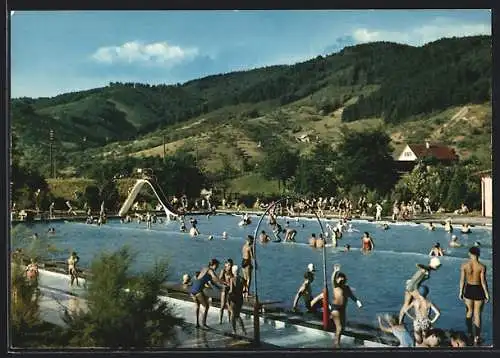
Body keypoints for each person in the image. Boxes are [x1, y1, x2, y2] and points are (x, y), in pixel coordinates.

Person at [459, 246, 489, 345]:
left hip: (468, 289)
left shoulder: (464, 265)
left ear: (469, 254)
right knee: (477, 314)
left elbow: (462, 280)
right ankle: (477, 337)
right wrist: (487, 294)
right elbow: (483, 282)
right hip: (478, 289)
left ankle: (470, 333)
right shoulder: (482, 266)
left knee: (469, 312)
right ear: (478, 254)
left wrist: (460, 292)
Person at [399, 257, 441, 324]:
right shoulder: (426, 269)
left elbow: (417, 277)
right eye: (437, 266)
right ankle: (425, 319)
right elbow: (421, 266)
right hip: (413, 288)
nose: (438, 268)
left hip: (410, 286)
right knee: (424, 302)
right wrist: (422, 266)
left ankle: (400, 322)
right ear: (434, 265)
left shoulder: (427, 269)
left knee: (406, 304)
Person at [330, 264, 363, 347]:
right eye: (339, 278)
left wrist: (357, 302)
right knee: (340, 328)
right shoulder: (336, 286)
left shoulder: (346, 288)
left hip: (342, 309)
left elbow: (352, 296)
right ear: (337, 280)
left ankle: (336, 338)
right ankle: (336, 345)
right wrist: (335, 271)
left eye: (343, 278)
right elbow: (332, 279)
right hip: (335, 309)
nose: (341, 279)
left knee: (342, 327)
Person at [190, 258, 225, 328]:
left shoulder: (204, 269)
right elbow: (215, 277)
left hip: (192, 290)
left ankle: (197, 323)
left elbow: (212, 282)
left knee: (197, 306)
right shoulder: (210, 270)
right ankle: (204, 323)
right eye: (217, 266)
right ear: (214, 265)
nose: (217, 267)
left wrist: (220, 288)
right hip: (198, 291)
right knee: (206, 307)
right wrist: (224, 283)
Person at [228, 265, 247, 335]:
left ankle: (234, 330)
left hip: (234, 298)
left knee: (233, 315)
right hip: (240, 298)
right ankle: (243, 330)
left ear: (233, 271)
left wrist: (228, 298)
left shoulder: (232, 279)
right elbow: (245, 288)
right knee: (237, 315)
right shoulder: (242, 279)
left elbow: (231, 290)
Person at [218, 259, 234, 324]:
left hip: (230, 290)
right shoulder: (223, 271)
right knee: (222, 305)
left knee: (229, 305)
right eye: (229, 265)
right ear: (225, 264)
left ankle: (229, 319)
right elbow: (219, 279)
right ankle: (220, 320)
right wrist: (225, 283)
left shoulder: (232, 271)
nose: (230, 266)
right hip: (224, 290)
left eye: (231, 265)